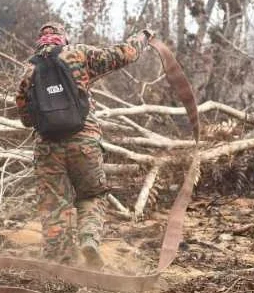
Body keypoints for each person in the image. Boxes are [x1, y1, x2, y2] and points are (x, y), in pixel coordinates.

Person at [15, 22, 154, 268]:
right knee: (92, 194)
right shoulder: (78, 54)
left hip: (48, 148)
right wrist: (143, 36)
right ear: (63, 38)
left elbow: (26, 119)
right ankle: (88, 239)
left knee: (54, 204)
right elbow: (125, 54)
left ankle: (60, 264)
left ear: (41, 40)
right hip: (84, 141)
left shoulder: (28, 70)